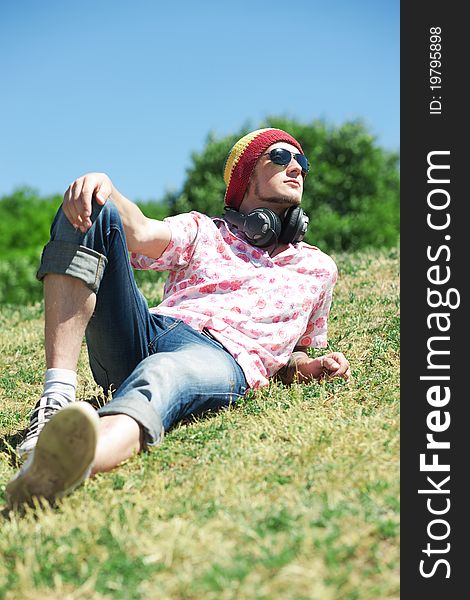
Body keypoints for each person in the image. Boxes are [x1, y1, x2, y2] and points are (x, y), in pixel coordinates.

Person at [6, 128, 350, 508]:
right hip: (151, 331)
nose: (297, 169)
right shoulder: (205, 230)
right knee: (90, 209)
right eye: (281, 158)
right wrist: (104, 186)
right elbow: (138, 230)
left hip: (221, 356)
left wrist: (310, 365)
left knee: (164, 374)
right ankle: (55, 400)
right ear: (245, 176)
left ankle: (69, 464)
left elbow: (296, 352)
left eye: (302, 163)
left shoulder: (318, 268)